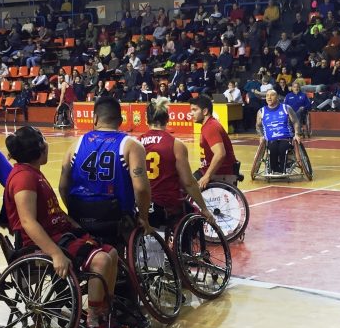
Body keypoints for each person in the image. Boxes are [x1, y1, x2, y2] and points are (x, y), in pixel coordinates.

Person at [3, 126, 127, 328]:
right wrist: (56, 254)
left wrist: (75, 226)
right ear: (39, 148)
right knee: (101, 261)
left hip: (61, 235)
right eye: (44, 141)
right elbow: (28, 222)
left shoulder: (33, 173)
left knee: (112, 253)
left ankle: (104, 309)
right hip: (44, 244)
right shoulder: (23, 178)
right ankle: (94, 320)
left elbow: (54, 211)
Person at [60, 97, 152, 242]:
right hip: (115, 219)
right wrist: (144, 217)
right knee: (119, 255)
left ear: (95, 118)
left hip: (80, 215)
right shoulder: (131, 145)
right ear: (121, 121)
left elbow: (63, 187)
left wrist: (76, 212)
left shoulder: (76, 145)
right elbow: (141, 189)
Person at [140, 100, 217, 230]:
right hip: (167, 203)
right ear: (167, 119)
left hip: (143, 203)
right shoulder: (176, 144)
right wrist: (204, 209)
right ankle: (185, 249)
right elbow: (188, 183)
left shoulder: (135, 143)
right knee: (193, 213)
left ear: (146, 119)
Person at [190, 95, 239, 188]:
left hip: (221, 173)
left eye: (194, 110)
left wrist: (207, 176)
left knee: (184, 186)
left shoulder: (210, 127)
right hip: (214, 170)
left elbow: (220, 154)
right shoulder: (209, 124)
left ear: (205, 111)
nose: (191, 113)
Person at [256, 89, 302, 175]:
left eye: (272, 95)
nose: (269, 98)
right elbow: (258, 125)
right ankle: (274, 169)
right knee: (272, 148)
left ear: (277, 97)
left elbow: (295, 121)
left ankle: (283, 168)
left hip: (286, 138)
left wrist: (297, 134)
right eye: (267, 96)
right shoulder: (261, 111)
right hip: (271, 140)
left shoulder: (286, 108)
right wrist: (261, 136)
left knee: (282, 148)